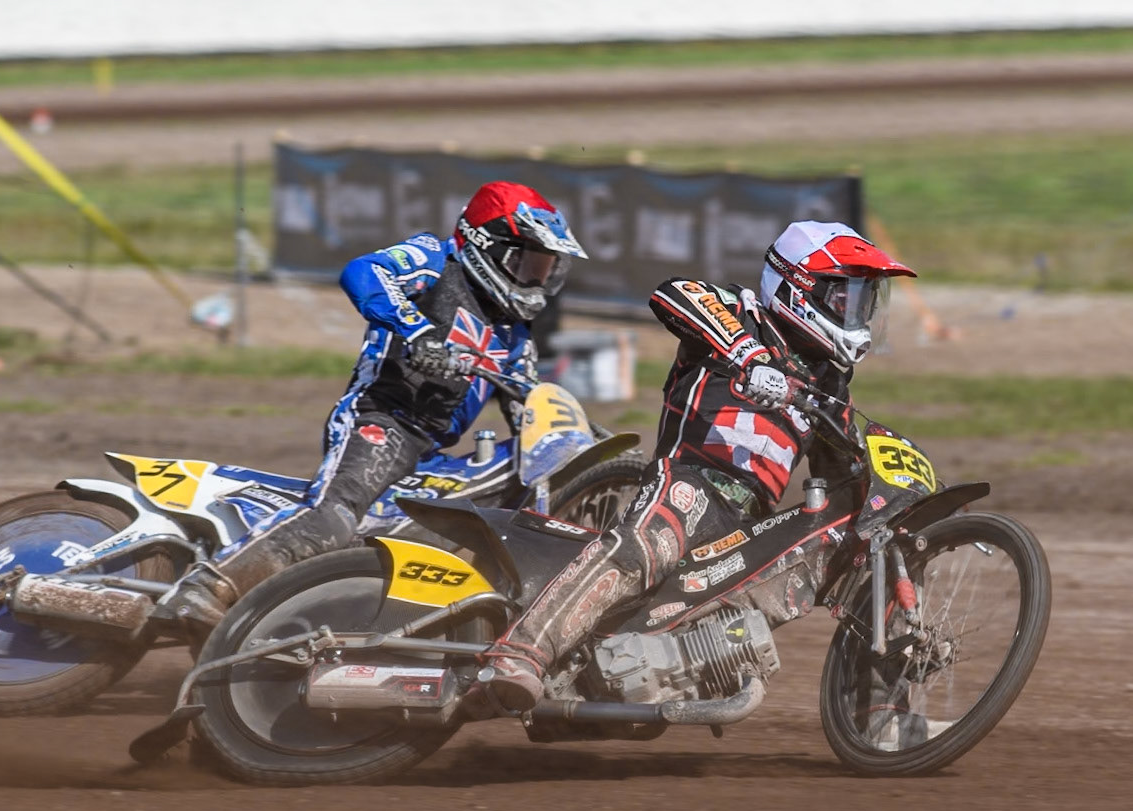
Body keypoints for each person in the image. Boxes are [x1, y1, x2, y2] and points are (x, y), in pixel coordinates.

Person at [480, 220, 916, 710]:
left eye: (863, 301)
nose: (857, 313)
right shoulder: (740, 313)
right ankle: (520, 653)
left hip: (747, 526)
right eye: (845, 299)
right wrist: (750, 358)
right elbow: (674, 293)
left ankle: (879, 708)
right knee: (648, 545)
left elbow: (843, 477)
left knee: (847, 546)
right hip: (690, 480)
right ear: (800, 288)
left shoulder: (829, 386)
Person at [170, 181, 587, 634]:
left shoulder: (513, 334)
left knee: (475, 515)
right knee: (334, 516)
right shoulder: (435, 259)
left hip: (430, 453)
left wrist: (578, 444)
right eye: (528, 264)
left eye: (545, 268)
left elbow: (530, 401)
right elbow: (364, 271)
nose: (536, 279)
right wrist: (417, 332)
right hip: (381, 419)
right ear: (488, 244)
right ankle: (208, 586)